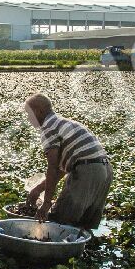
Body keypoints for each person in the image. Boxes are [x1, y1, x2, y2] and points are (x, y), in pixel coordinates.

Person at [23, 93, 112, 230]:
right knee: (84, 225)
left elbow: (52, 167)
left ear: (38, 112)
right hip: (103, 170)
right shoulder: (63, 122)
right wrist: (38, 188)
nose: (28, 118)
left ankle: (60, 250)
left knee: (62, 221)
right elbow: (60, 169)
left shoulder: (48, 128)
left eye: (29, 114)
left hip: (87, 170)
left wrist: (46, 203)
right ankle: (82, 249)